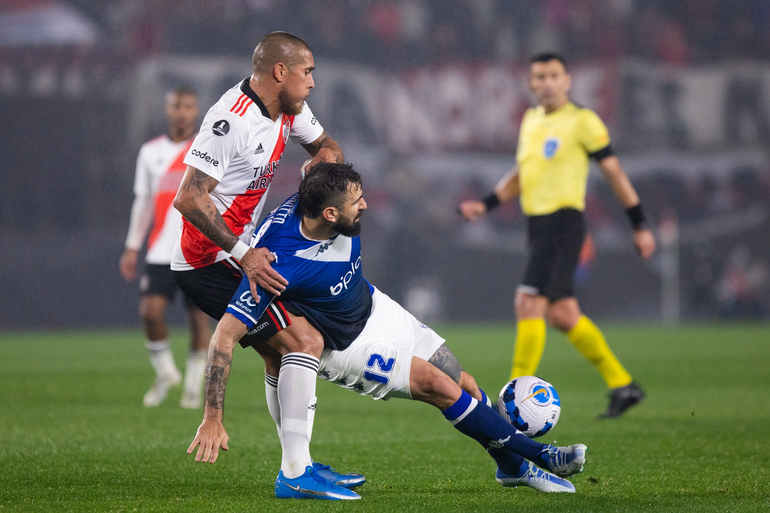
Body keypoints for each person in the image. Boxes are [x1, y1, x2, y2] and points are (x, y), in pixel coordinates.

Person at [187, 163, 588, 500]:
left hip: (375, 307)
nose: (364, 205)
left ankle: (512, 467)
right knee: (438, 385)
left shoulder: (312, 197)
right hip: (346, 344)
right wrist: (213, 415)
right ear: (329, 214)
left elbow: (323, 157)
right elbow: (224, 337)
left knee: (461, 380)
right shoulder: (275, 263)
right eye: (355, 202)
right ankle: (540, 455)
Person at [170, 32, 361, 489]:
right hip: (209, 262)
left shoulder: (288, 108)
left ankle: (298, 466)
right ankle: (296, 472)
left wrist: (326, 160)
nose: (313, 83)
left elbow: (328, 145)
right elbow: (189, 198)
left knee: (282, 358)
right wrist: (244, 254)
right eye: (308, 72)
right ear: (281, 72)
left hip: (241, 253)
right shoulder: (229, 122)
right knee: (304, 342)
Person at [459, 53, 656, 419]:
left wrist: (640, 223)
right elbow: (522, 172)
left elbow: (614, 174)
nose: (547, 83)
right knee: (564, 314)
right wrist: (486, 204)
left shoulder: (583, 121)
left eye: (554, 75)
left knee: (527, 304)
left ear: (567, 81)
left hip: (564, 222)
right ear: (530, 83)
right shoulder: (532, 120)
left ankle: (512, 402)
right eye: (540, 76)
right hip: (537, 226)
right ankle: (623, 385)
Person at [119, 87, 210, 408]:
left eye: (188, 106)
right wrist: (132, 246)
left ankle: (193, 388)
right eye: (176, 106)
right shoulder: (150, 151)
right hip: (160, 251)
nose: (182, 112)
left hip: (198, 249)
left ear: (196, 110)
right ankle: (166, 373)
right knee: (151, 312)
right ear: (166, 110)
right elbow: (143, 202)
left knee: (199, 319)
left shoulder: (205, 148)